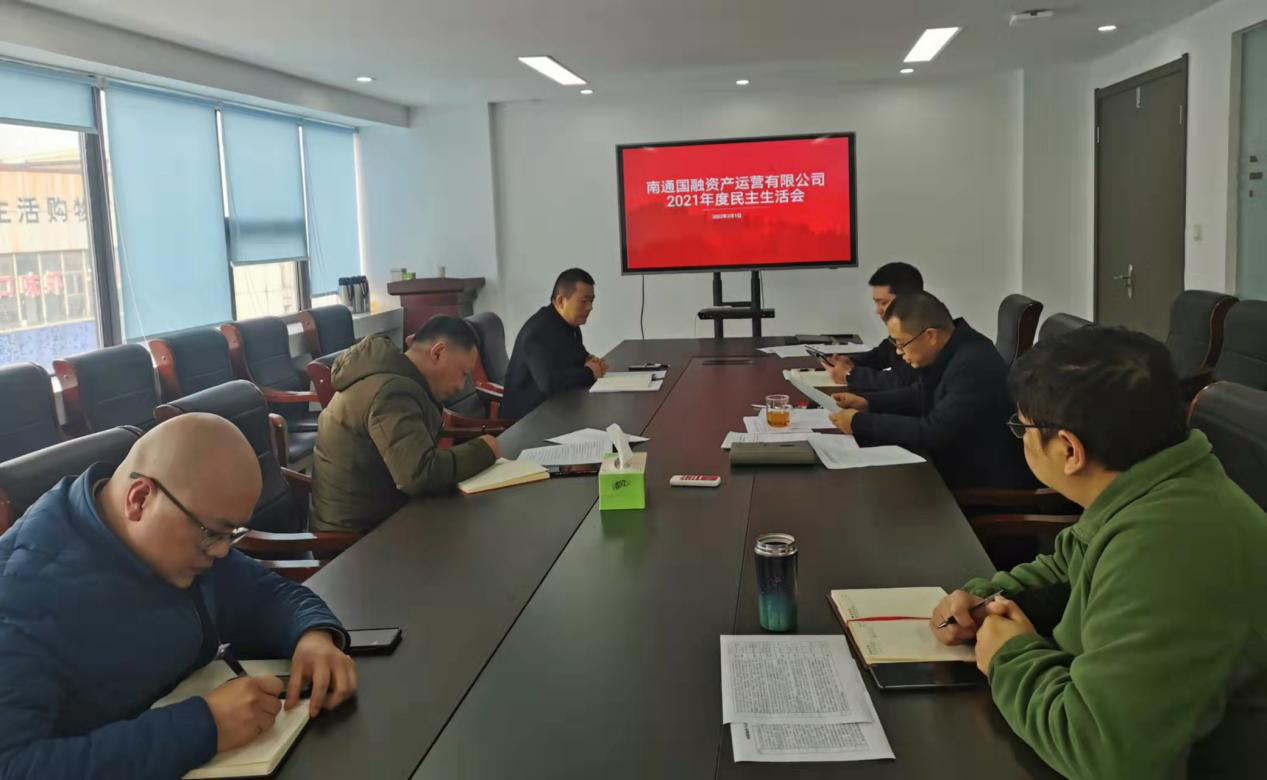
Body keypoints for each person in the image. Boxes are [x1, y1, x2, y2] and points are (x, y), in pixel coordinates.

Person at [930, 327, 1267, 778]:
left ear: (1069, 449)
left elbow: (1105, 755)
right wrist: (987, 599)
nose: (1021, 439)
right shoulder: (1155, 484)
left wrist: (1011, 657)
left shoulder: (1168, 544)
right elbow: (1069, 567)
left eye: (1022, 427)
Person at [0, 413, 357, 778]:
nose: (222, 551)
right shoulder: (20, 597)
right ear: (140, 499)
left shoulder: (181, 537)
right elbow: (14, 767)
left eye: (230, 534)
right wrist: (203, 727)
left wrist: (312, 636)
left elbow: (265, 594)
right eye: (213, 534)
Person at [312, 316, 501, 533]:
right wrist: (484, 450)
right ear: (438, 352)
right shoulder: (392, 391)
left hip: (380, 517)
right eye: (463, 373)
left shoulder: (394, 380)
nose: (461, 385)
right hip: (356, 538)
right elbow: (418, 474)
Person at [829, 291, 1033, 489]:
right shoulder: (954, 346)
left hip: (982, 484)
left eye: (902, 344)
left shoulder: (972, 365)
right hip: (952, 462)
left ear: (930, 336)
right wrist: (868, 403)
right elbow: (920, 394)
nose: (899, 352)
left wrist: (860, 423)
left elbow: (934, 431)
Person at [502, 268, 607, 419]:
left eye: (592, 301)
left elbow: (577, 356)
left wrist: (590, 360)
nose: (590, 307)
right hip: (527, 420)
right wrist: (589, 372)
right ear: (561, 301)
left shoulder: (569, 324)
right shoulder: (538, 332)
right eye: (584, 301)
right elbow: (549, 384)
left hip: (558, 408)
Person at [821, 261, 923, 391]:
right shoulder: (903, 329)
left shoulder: (925, 332)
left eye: (883, 303)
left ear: (909, 301)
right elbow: (880, 355)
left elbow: (902, 381)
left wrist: (851, 375)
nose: (878, 310)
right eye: (876, 303)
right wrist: (851, 362)